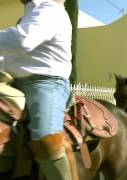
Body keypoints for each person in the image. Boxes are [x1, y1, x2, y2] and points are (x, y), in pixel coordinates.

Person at [0, 0, 77, 179]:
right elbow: (9, 56)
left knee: (45, 139)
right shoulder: (29, 15)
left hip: (45, 83)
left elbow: (22, 40)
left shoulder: (50, 9)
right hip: (12, 81)